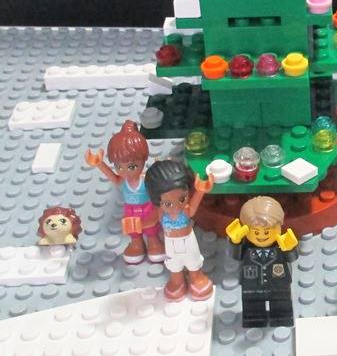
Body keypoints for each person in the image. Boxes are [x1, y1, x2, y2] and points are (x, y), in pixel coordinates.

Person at [84, 120, 165, 264]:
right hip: (130, 210)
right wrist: (99, 163)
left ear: (143, 160)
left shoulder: (146, 180)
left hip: (147, 208)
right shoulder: (123, 182)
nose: (125, 171)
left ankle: (153, 242)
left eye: (132, 166)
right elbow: (112, 176)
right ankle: (137, 244)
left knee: (151, 228)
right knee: (133, 231)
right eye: (119, 167)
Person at [143, 159, 214, 301]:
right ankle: (177, 281)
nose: (176, 207)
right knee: (174, 264)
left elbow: (192, 208)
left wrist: (201, 190)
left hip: (188, 241)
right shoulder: (160, 212)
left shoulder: (186, 210)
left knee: (193, 260)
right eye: (167, 203)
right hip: (170, 243)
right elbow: (150, 221)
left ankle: (196, 278)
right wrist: (137, 224)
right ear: (157, 201)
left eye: (182, 199)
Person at [226, 196, 298, 328]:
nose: (261, 236)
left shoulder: (281, 245)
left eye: (267, 231)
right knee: (252, 304)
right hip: (251, 284)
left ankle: (282, 317)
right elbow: (235, 256)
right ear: (245, 230)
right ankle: (254, 318)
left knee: (281, 302)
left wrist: (290, 248)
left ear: (279, 226)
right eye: (256, 232)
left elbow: (292, 258)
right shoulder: (247, 248)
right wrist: (235, 242)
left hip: (279, 283)